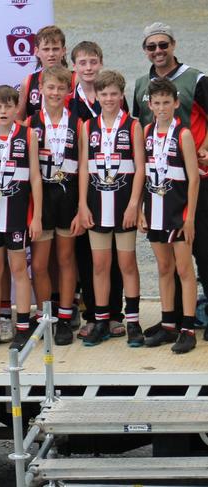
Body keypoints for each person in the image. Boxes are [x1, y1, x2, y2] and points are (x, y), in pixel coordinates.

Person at [132, 22, 208, 340]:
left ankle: (198, 317)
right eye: (152, 47)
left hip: (198, 176)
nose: (158, 51)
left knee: (202, 249)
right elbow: (137, 133)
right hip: (159, 184)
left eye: (163, 45)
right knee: (167, 256)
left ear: (173, 45)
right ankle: (173, 319)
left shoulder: (197, 79)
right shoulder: (140, 85)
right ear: (145, 50)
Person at [77, 70, 145, 347]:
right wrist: (82, 204)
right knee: (100, 265)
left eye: (113, 93)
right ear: (98, 96)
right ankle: (101, 320)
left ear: (121, 95)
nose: (108, 98)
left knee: (127, 263)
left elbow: (140, 168)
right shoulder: (87, 126)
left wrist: (134, 206)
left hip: (123, 204)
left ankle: (133, 322)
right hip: (96, 203)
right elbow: (83, 167)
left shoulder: (133, 125)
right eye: (103, 94)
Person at [68, 40, 127, 339]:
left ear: (101, 63)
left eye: (93, 62)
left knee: (115, 254)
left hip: (114, 188)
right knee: (85, 254)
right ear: (74, 68)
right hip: (81, 187)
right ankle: (92, 313)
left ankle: (115, 314)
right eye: (83, 63)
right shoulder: (69, 102)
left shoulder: (115, 98)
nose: (89, 68)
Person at [0, 85, 42, 352]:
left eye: (8, 106)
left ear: (17, 108)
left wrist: (36, 216)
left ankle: (23, 327)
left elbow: (36, 176)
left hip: (17, 210)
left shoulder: (28, 134)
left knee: (18, 269)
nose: (3, 111)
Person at [138, 78, 199, 353]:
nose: (162, 108)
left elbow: (195, 179)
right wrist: (140, 210)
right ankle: (168, 324)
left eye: (166, 103)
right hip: (155, 210)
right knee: (164, 268)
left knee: (185, 270)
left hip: (178, 211)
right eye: (157, 103)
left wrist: (190, 218)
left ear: (176, 103)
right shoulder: (147, 130)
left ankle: (187, 328)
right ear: (149, 105)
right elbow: (143, 172)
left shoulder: (183, 134)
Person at [28, 66, 83, 346]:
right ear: (41, 88)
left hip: (69, 192)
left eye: (61, 88)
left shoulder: (78, 122)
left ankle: (64, 317)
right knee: (39, 263)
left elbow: (84, 166)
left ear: (68, 91)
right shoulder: (30, 122)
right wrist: (35, 212)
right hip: (43, 193)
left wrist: (83, 205)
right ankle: (45, 315)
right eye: (50, 87)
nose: (55, 93)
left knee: (65, 259)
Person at [17, 25, 69, 120]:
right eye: (46, 49)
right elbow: (18, 120)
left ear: (64, 51)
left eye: (55, 49)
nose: (51, 54)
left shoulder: (75, 79)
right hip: (36, 134)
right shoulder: (27, 82)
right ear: (36, 51)